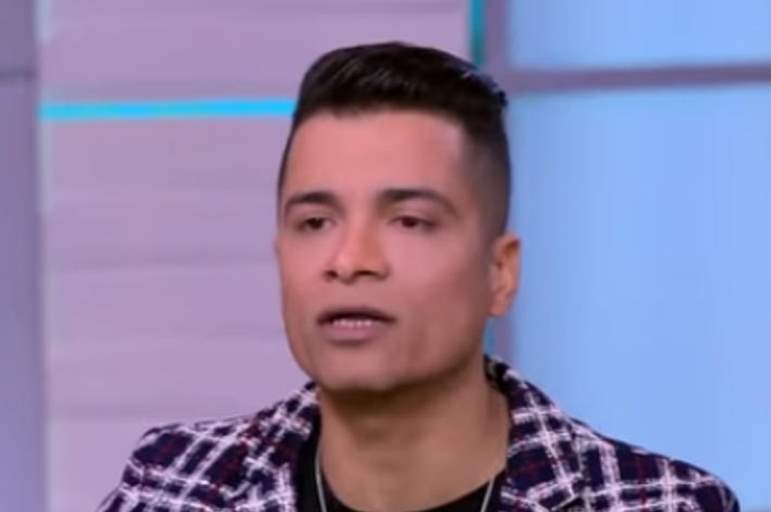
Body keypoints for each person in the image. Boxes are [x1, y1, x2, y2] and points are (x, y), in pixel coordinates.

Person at [97, 42, 738, 512]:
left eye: (408, 221)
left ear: (499, 273)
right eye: (315, 222)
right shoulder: (177, 487)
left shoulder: (657, 503)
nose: (350, 260)